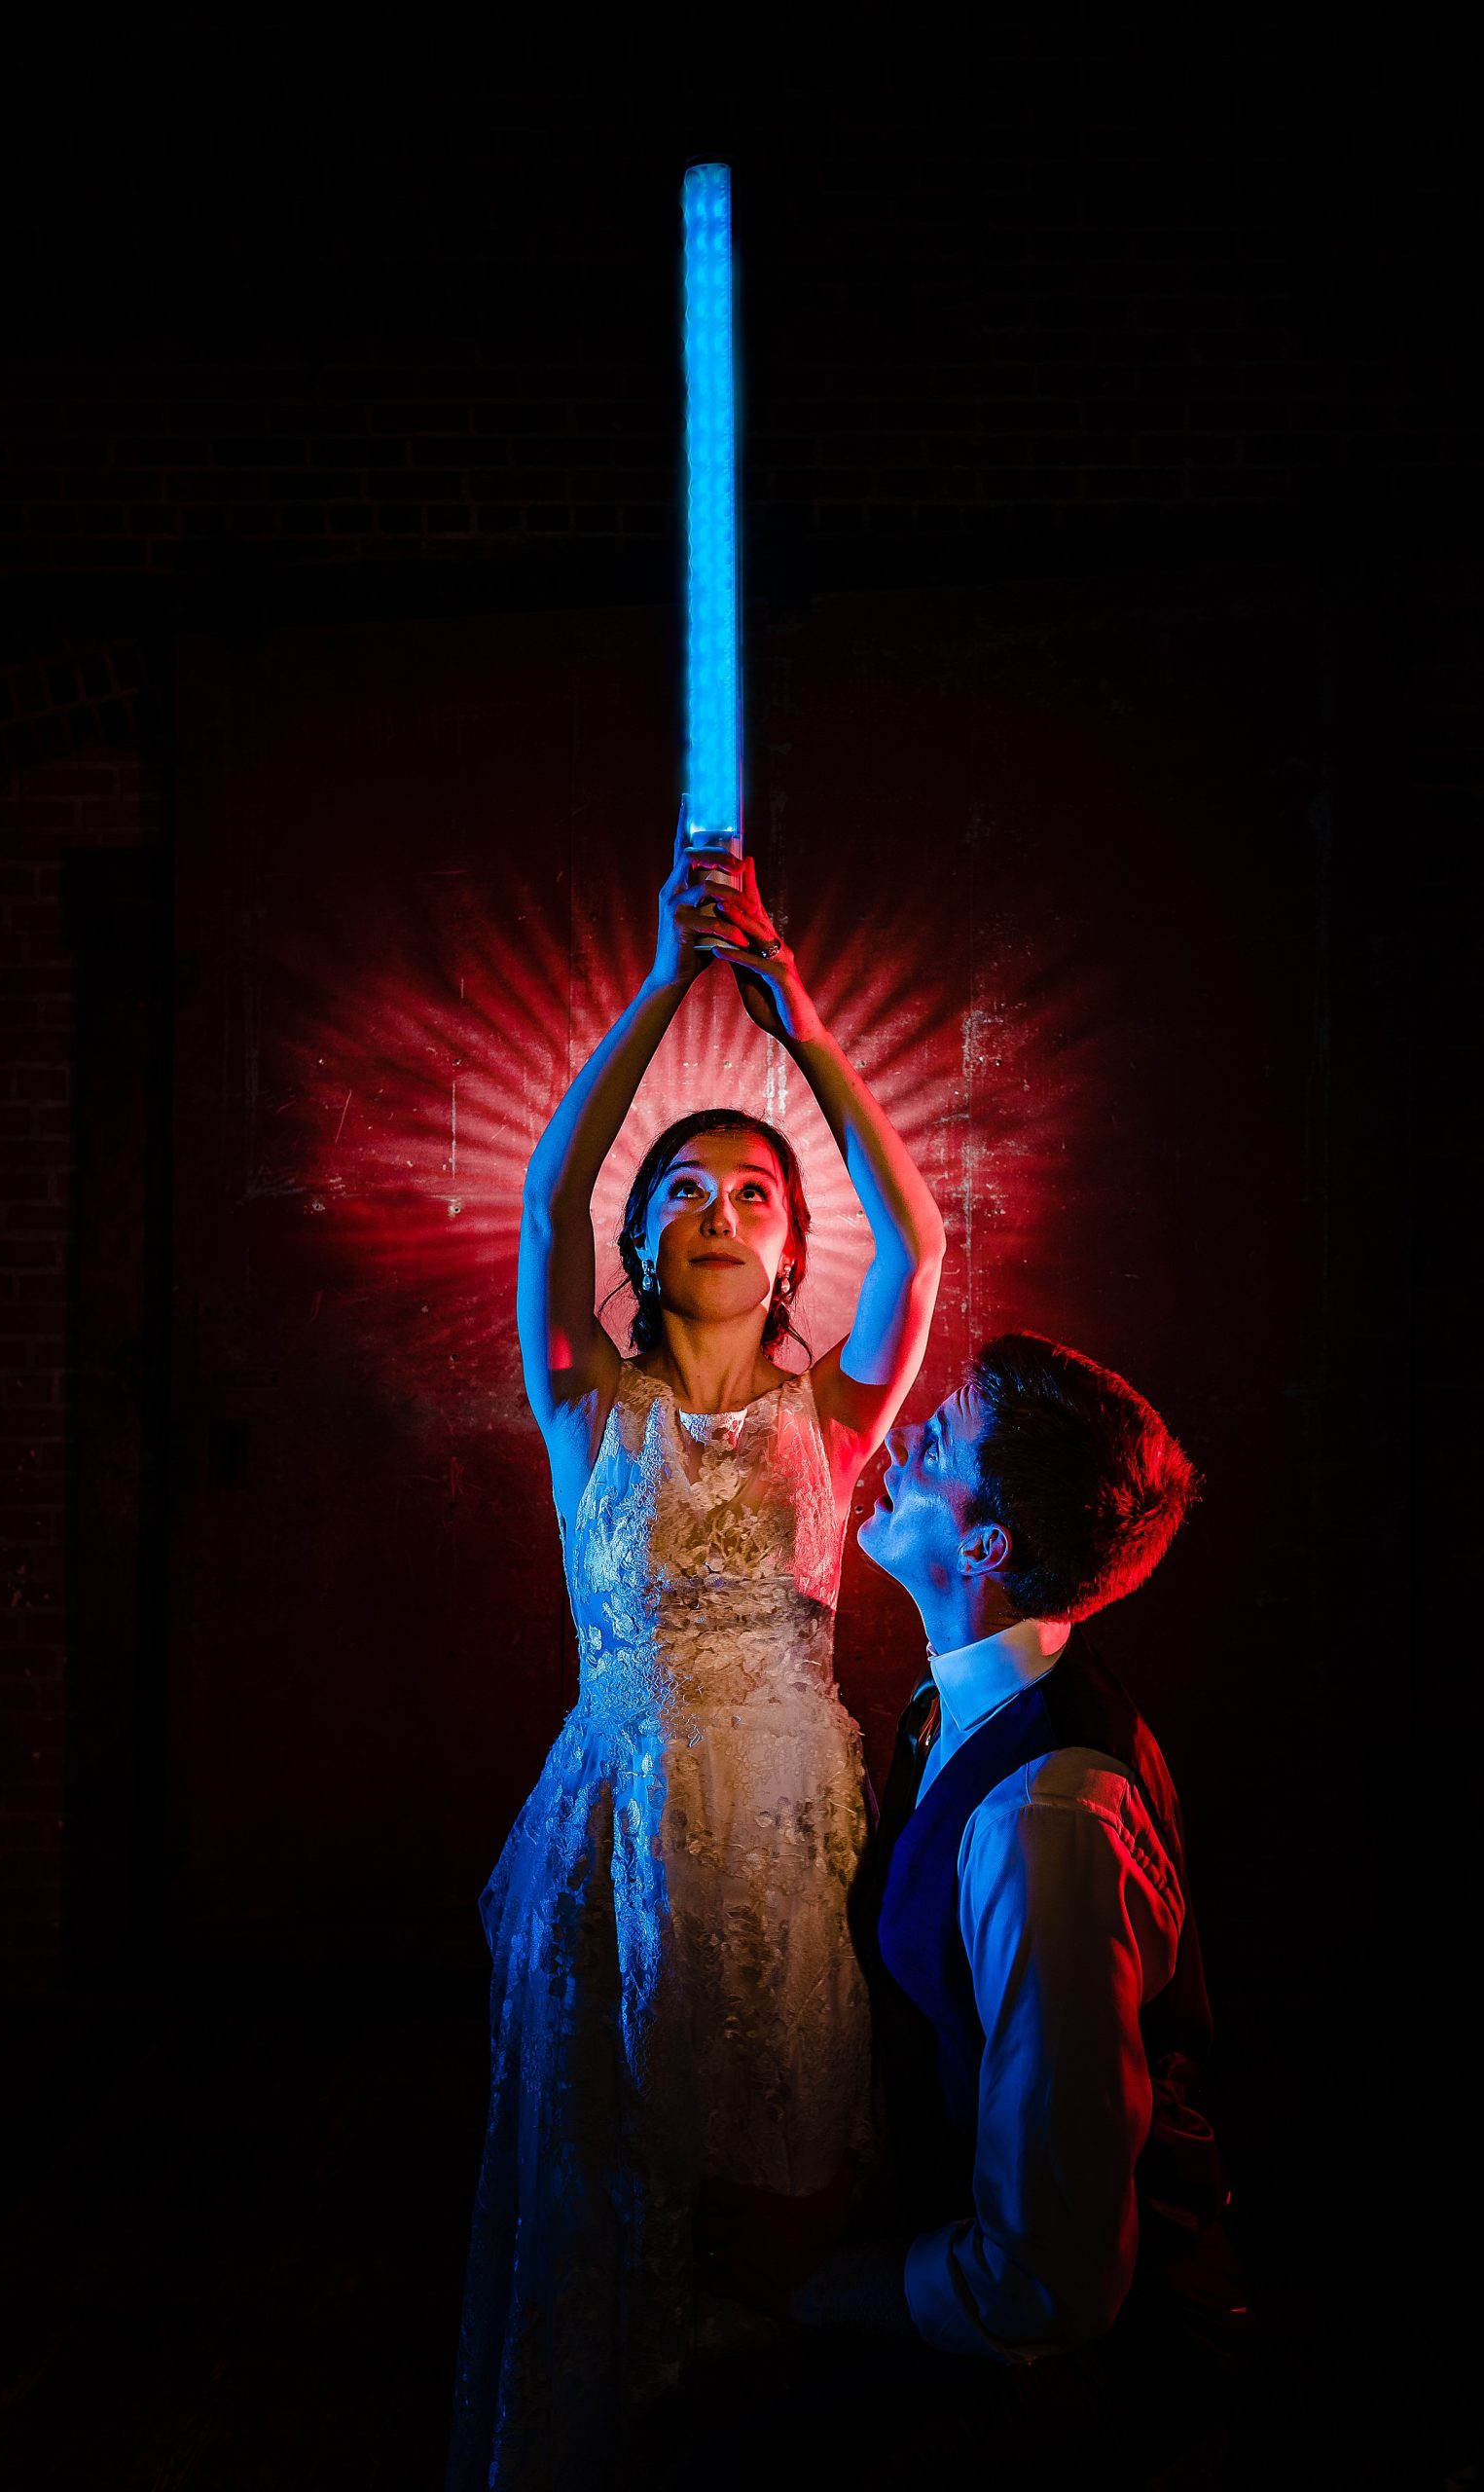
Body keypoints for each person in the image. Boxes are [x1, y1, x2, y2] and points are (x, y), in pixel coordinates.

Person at [447, 805, 946, 2489]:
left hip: (791, 1836)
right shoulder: (586, 1406)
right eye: (687, 1190)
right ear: (646, 1239)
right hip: (618, 1826)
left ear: (791, 1244)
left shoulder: (839, 1412)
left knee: (774, 2162)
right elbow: (543, 1201)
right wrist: (672, 986)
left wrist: (796, 1027)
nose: (720, 1210)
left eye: (752, 1192)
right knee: (613, 2184)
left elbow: (924, 1240)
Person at [683, 1332, 1239, 2486]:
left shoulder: (1046, 1825)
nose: (902, 1438)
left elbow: (1053, 2277)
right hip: (972, 2255)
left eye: (939, 1437)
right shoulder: (961, 1702)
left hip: (1093, 2344)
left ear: (985, 1543)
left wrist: (815, 2278)